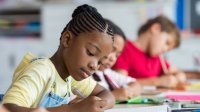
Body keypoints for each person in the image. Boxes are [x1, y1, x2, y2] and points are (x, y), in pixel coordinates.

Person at [2, 4, 115, 112]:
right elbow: (7, 108)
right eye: (90, 52)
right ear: (67, 39)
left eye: (100, 62)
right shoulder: (42, 71)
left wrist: (96, 104)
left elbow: (107, 94)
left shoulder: (70, 77)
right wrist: (72, 109)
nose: (94, 66)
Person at [112, 15, 186, 88]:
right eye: (167, 43)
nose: (165, 50)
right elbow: (120, 83)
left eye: (168, 49)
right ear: (156, 28)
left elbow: (177, 71)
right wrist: (158, 82)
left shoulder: (157, 58)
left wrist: (179, 76)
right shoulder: (124, 48)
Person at [93, 19, 141, 101]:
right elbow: (83, 102)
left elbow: (136, 84)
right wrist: (113, 96)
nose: (113, 58)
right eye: (112, 50)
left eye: (117, 55)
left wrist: (128, 91)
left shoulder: (106, 73)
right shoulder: (83, 76)